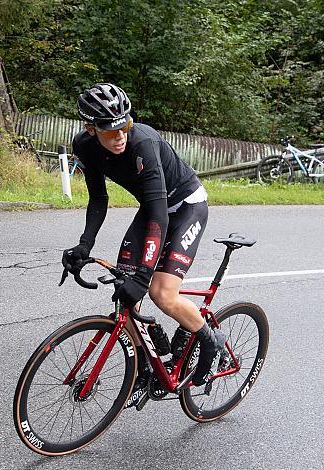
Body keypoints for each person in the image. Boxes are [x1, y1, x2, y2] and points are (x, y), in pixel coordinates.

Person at [62, 83, 225, 403]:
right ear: (90, 129)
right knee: (124, 293)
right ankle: (145, 368)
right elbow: (98, 198)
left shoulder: (144, 144)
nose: (120, 135)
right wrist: (85, 244)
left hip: (185, 207)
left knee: (161, 293)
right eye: (111, 131)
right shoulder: (84, 145)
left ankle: (210, 339)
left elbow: (161, 219)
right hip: (153, 208)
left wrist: (143, 275)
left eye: (125, 125)